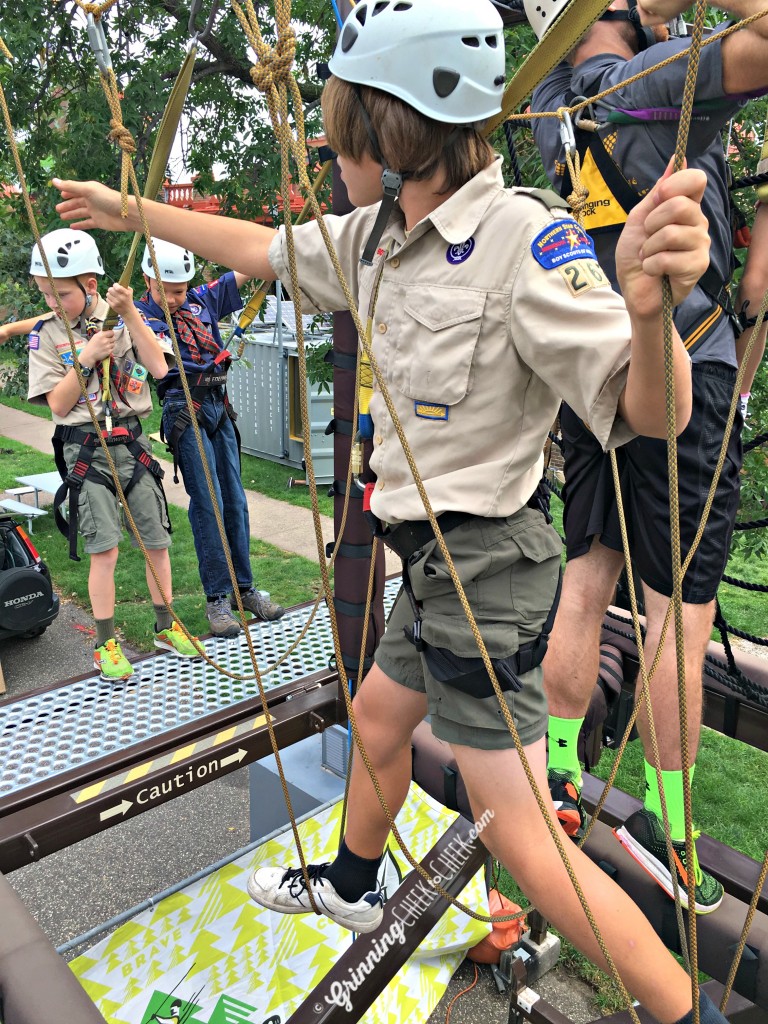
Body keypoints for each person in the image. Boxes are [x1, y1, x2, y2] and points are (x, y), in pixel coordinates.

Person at [51, 0, 726, 1018]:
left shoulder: (519, 239)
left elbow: (655, 410)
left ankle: (687, 1010)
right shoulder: (377, 235)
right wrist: (130, 211)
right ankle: (356, 886)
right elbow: (261, 248)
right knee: (377, 716)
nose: (330, 152)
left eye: (345, 134)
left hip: (489, 571)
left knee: (528, 844)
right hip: (432, 564)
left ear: (399, 136)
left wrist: (644, 307)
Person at [529, 0, 768, 914]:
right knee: (677, 617)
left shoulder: (553, 98)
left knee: (588, 580)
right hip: (682, 366)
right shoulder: (654, 76)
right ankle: (671, 831)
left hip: (593, 376)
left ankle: (557, 775)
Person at [26, 228, 200, 680]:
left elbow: (159, 368)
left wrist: (129, 315)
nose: (51, 303)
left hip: (133, 444)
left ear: (89, 286)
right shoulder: (47, 335)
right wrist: (84, 358)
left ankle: (166, 626)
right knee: (105, 551)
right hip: (88, 450)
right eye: (45, 293)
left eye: (59, 294)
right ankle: (106, 643)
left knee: (158, 543)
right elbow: (60, 406)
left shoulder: (124, 317)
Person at [134, 239, 285, 638]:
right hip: (185, 408)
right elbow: (158, 363)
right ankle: (217, 597)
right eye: (165, 290)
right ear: (147, 279)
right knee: (210, 503)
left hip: (219, 404)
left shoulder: (201, 301)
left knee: (235, 500)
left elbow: (244, 268)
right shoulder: (140, 316)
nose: (172, 298)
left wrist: (277, 245)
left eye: (179, 290)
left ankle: (244, 589)